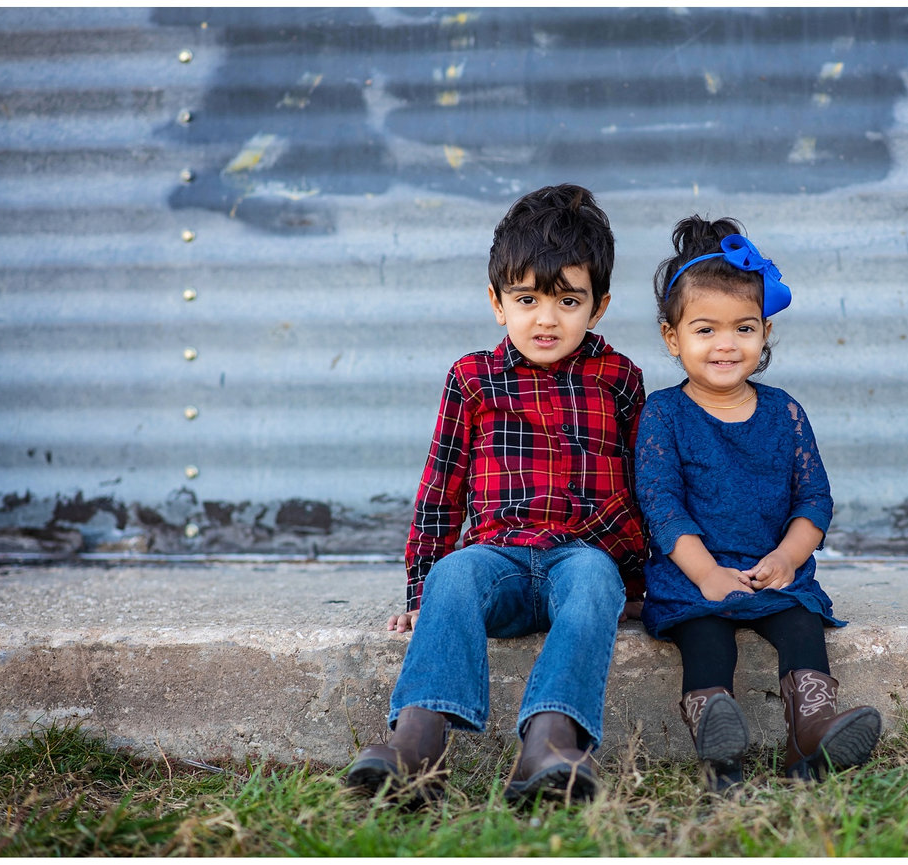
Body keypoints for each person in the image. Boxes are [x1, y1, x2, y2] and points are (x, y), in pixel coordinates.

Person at [345, 184, 646, 804]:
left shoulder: (619, 379)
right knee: (454, 576)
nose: (546, 318)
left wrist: (644, 586)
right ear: (497, 301)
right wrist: (420, 590)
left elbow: (647, 488)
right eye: (526, 299)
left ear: (599, 306)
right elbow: (440, 488)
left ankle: (550, 743)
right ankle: (416, 744)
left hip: (581, 557)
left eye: (568, 301)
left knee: (594, 578)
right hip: (497, 560)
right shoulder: (472, 379)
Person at [635, 215, 880, 791]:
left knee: (801, 627)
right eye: (705, 330)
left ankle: (813, 735)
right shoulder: (665, 415)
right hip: (692, 580)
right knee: (707, 640)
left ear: (765, 332)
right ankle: (721, 754)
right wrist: (708, 574)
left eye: (743, 328)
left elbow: (814, 497)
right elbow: (660, 502)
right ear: (673, 338)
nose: (726, 344)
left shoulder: (783, 412)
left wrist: (789, 559)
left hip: (773, 574)